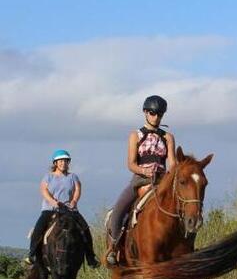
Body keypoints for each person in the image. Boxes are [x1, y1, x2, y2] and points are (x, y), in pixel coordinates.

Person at [105, 95, 177, 267]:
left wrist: (173, 175)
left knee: (184, 210)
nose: (156, 117)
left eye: (160, 114)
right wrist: (144, 170)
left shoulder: (168, 137)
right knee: (117, 213)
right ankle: (114, 249)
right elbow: (131, 163)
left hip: (161, 181)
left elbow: (172, 162)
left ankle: (185, 248)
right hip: (140, 180)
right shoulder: (135, 135)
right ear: (145, 112)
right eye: (153, 113)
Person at [26, 149, 99, 268]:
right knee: (39, 228)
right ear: (55, 163)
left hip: (70, 210)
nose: (63, 163)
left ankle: (90, 257)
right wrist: (53, 202)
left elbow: (77, 190)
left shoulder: (73, 177)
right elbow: (43, 190)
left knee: (85, 229)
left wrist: (74, 201)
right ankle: (32, 254)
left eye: (65, 161)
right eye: (60, 161)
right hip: (50, 209)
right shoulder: (48, 177)